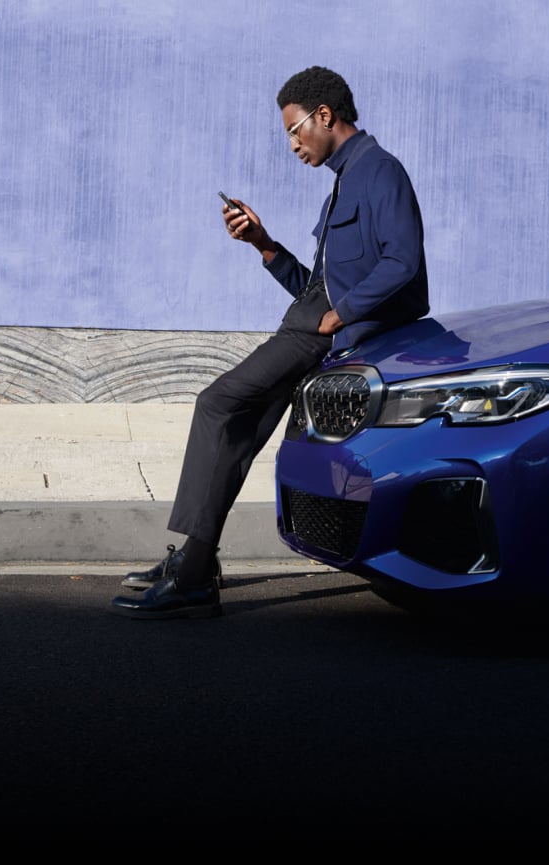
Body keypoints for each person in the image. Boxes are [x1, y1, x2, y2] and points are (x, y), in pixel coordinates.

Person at [110, 65, 429, 619]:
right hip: (309, 324)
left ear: (324, 116)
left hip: (319, 336)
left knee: (218, 403)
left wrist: (342, 316)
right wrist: (264, 244)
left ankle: (193, 570)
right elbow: (318, 286)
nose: (292, 143)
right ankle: (195, 561)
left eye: (294, 128)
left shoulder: (380, 172)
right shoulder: (343, 183)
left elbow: (404, 262)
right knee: (238, 430)